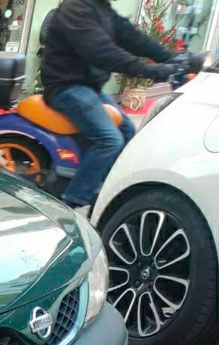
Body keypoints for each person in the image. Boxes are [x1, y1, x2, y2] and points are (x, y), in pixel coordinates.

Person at [40, 0, 196, 209]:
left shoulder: (103, 10)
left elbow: (134, 38)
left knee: (127, 131)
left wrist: (174, 58)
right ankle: (72, 202)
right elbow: (101, 51)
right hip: (66, 86)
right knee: (109, 140)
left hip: (88, 88)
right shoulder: (75, 8)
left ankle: (104, 188)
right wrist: (152, 70)